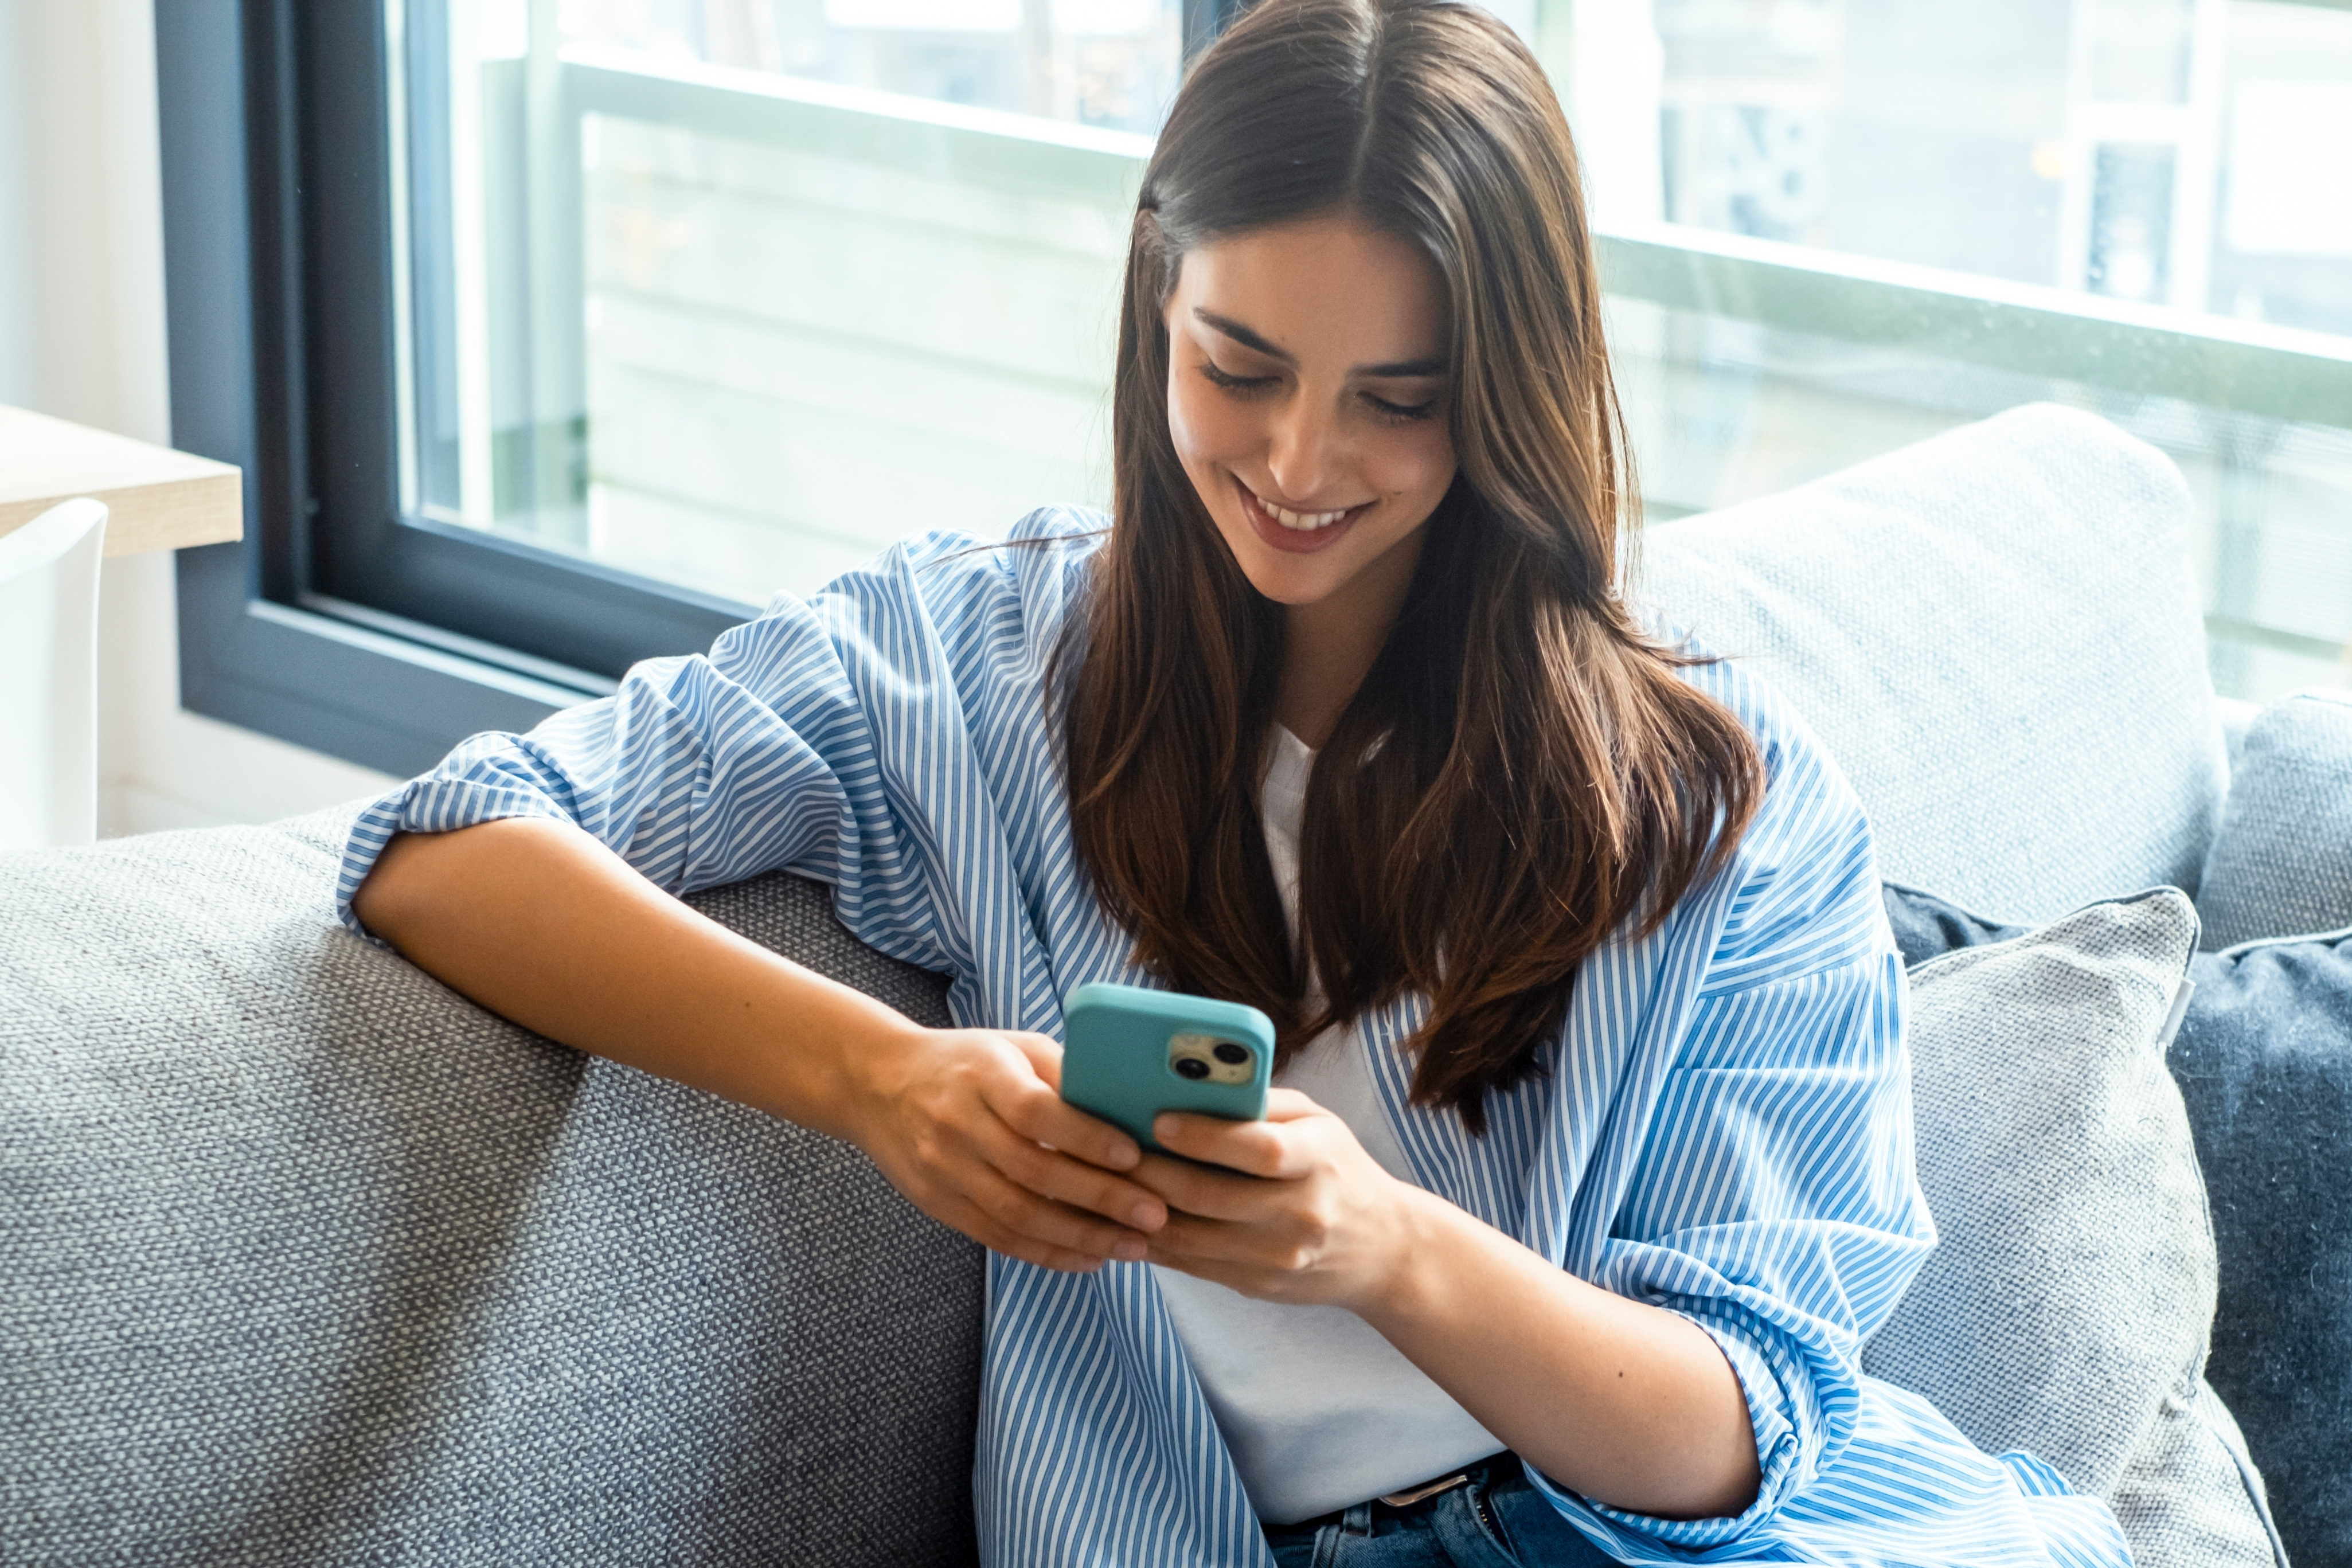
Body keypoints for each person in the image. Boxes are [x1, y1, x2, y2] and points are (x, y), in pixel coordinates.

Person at [344, 2, 2130, 1563]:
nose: (1297, 460)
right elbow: (446, 844)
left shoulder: (1723, 815)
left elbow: (1740, 1441)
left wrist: (1384, 1247)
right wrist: (881, 1079)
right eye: (1241, 366)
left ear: (1510, 394)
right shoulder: (975, 663)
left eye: (1396, 399)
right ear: (1156, 305)